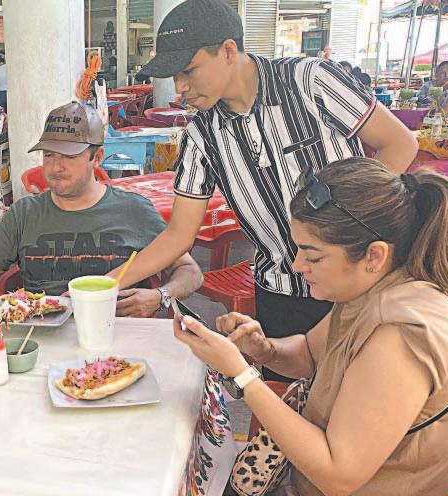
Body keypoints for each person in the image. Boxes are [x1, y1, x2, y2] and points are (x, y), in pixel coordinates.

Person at [174, 157, 448, 496]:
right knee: (185, 482)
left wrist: (243, 376)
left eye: (313, 255)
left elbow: (336, 474)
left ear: (374, 255)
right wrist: (262, 349)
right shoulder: (373, 290)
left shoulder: (401, 335)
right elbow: (309, 353)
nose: (296, 265)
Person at [113, 0, 417, 379]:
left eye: (188, 70)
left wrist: (349, 230)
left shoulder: (311, 81)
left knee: (365, 398)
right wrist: (104, 286)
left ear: (228, 51)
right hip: (281, 292)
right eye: (174, 75)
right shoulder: (202, 136)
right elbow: (178, 235)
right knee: (287, 402)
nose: (180, 86)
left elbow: (399, 144)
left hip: (360, 283)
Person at [0, 102, 203, 317]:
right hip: (40, 338)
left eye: (69, 156)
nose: (55, 166)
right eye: (49, 154)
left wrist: (161, 295)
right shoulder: (24, 213)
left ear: (97, 158)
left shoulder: (134, 210)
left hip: (116, 337)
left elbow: (190, 271)